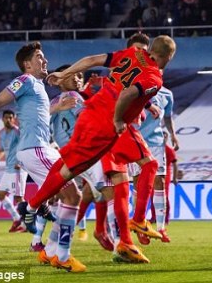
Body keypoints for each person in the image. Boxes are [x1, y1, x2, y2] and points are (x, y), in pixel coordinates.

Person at [19, 34, 176, 264]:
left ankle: (120, 241)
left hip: (92, 114)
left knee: (98, 182)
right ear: (167, 57)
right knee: (78, 179)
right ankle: (38, 214)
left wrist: (65, 73)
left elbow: (93, 59)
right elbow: (128, 93)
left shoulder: (133, 55)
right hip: (105, 126)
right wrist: (119, 119)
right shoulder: (153, 76)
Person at [0, 41, 86, 273]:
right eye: (39, 57)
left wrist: (56, 108)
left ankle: (47, 248)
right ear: (27, 65)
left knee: (62, 198)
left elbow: (35, 118)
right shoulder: (25, 81)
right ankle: (60, 253)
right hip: (35, 150)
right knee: (73, 195)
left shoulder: (38, 87)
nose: (45, 61)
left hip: (38, 149)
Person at [49, 64, 114, 252]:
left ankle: (52, 246)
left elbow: (46, 124)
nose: (78, 79)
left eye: (80, 76)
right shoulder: (74, 98)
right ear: (60, 80)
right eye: (73, 76)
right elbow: (87, 118)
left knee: (79, 197)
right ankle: (120, 242)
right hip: (82, 153)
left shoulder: (56, 101)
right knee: (112, 189)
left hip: (67, 154)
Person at [129, 85, 179, 244]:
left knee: (160, 181)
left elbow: (168, 117)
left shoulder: (167, 94)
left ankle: (161, 228)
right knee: (138, 182)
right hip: (135, 139)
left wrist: (173, 135)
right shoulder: (135, 89)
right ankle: (140, 224)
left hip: (156, 143)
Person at [0, 110, 28, 232]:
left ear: (14, 119)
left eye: (11, 118)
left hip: (18, 169)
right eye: (6, 118)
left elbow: (26, 145)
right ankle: (17, 218)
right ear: (2, 119)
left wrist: (21, 161)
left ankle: (27, 225)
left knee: (18, 198)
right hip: (8, 169)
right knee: (0, 195)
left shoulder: (17, 132)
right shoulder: (2, 134)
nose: (9, 120)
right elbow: (2, 149)